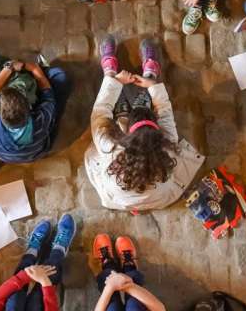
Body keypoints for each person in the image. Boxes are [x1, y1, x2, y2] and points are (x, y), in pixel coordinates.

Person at [85, 36, 200, 211]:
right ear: (158, 135)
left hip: (121, 197)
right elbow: (166, 115)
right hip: (157, 197)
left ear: (126, 135)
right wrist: (153, 85)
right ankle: (149, 74)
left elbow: (100, 112)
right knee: (138, 104)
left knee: (116, 111)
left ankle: (109, 71)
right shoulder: (167, 150)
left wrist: (114, 81)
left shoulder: (109, 147)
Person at [0, 52, 71, 163]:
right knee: (59, 76)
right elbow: (47, 91)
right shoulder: (41, 120)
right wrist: (34, 69)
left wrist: (9, 67)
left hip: (1, 156)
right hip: (37, 152)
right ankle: (42, 70)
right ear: (31, 108)